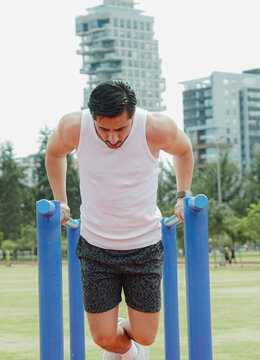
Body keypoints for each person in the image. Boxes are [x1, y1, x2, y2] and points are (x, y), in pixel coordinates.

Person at [46, 80, 194, 360]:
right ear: (93, 118)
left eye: (120, 129)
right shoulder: (74, 127)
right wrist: (61, 200)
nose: (112, 138)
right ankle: (129, 352)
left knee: (146, 334)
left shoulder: (155, 127)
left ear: (132, 117)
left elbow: (184, 150)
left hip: (145, 246)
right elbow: (54, 152)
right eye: (104, 130)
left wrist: (182, 194)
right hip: (96, 246)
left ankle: (129, 345)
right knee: (102, 337)